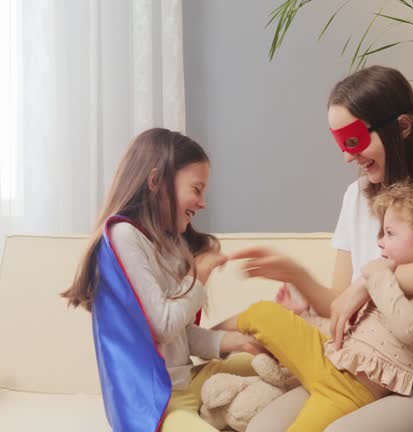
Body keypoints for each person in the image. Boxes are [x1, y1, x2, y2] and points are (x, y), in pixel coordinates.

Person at [235, 65, 413, 432]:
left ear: (401, 127)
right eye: (340, 143)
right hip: (371, 373)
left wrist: (373, 278)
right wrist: (296, 274)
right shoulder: (356, 197)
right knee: (263, 428)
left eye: (353, 140)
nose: (347, 157)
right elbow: (341, 307)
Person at [217, 178, 413, 432]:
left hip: (352, 392)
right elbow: (349, 331)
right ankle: (200, 340)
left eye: (389, 233)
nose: (380, 242)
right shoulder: (390, 281)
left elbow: (408, 327)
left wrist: (377, 275)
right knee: (263, 313)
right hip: (328, 358)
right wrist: (305, 318)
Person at [61, 128, 264, 432]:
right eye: (197, 189)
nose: (203, 202)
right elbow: (164, 326)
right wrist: (200, 273)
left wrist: (236, 342)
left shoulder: (170, 243)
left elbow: (181, 335)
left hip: (187, 382)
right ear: (156, 181)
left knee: (271, 363)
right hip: (156, 402)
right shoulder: (122, 236)